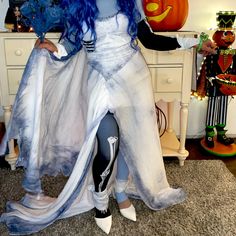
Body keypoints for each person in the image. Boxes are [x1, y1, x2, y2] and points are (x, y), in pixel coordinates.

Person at [0, 0, 216, 234]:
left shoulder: (130, 2)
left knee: (129, 140)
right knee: (109, 144)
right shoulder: (77, 5)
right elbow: (71, 44)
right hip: (99, 82)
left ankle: (121, 191)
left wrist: (193, 42)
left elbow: (150, 39)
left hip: (134, 80)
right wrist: (55, 49)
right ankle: (100, 200)